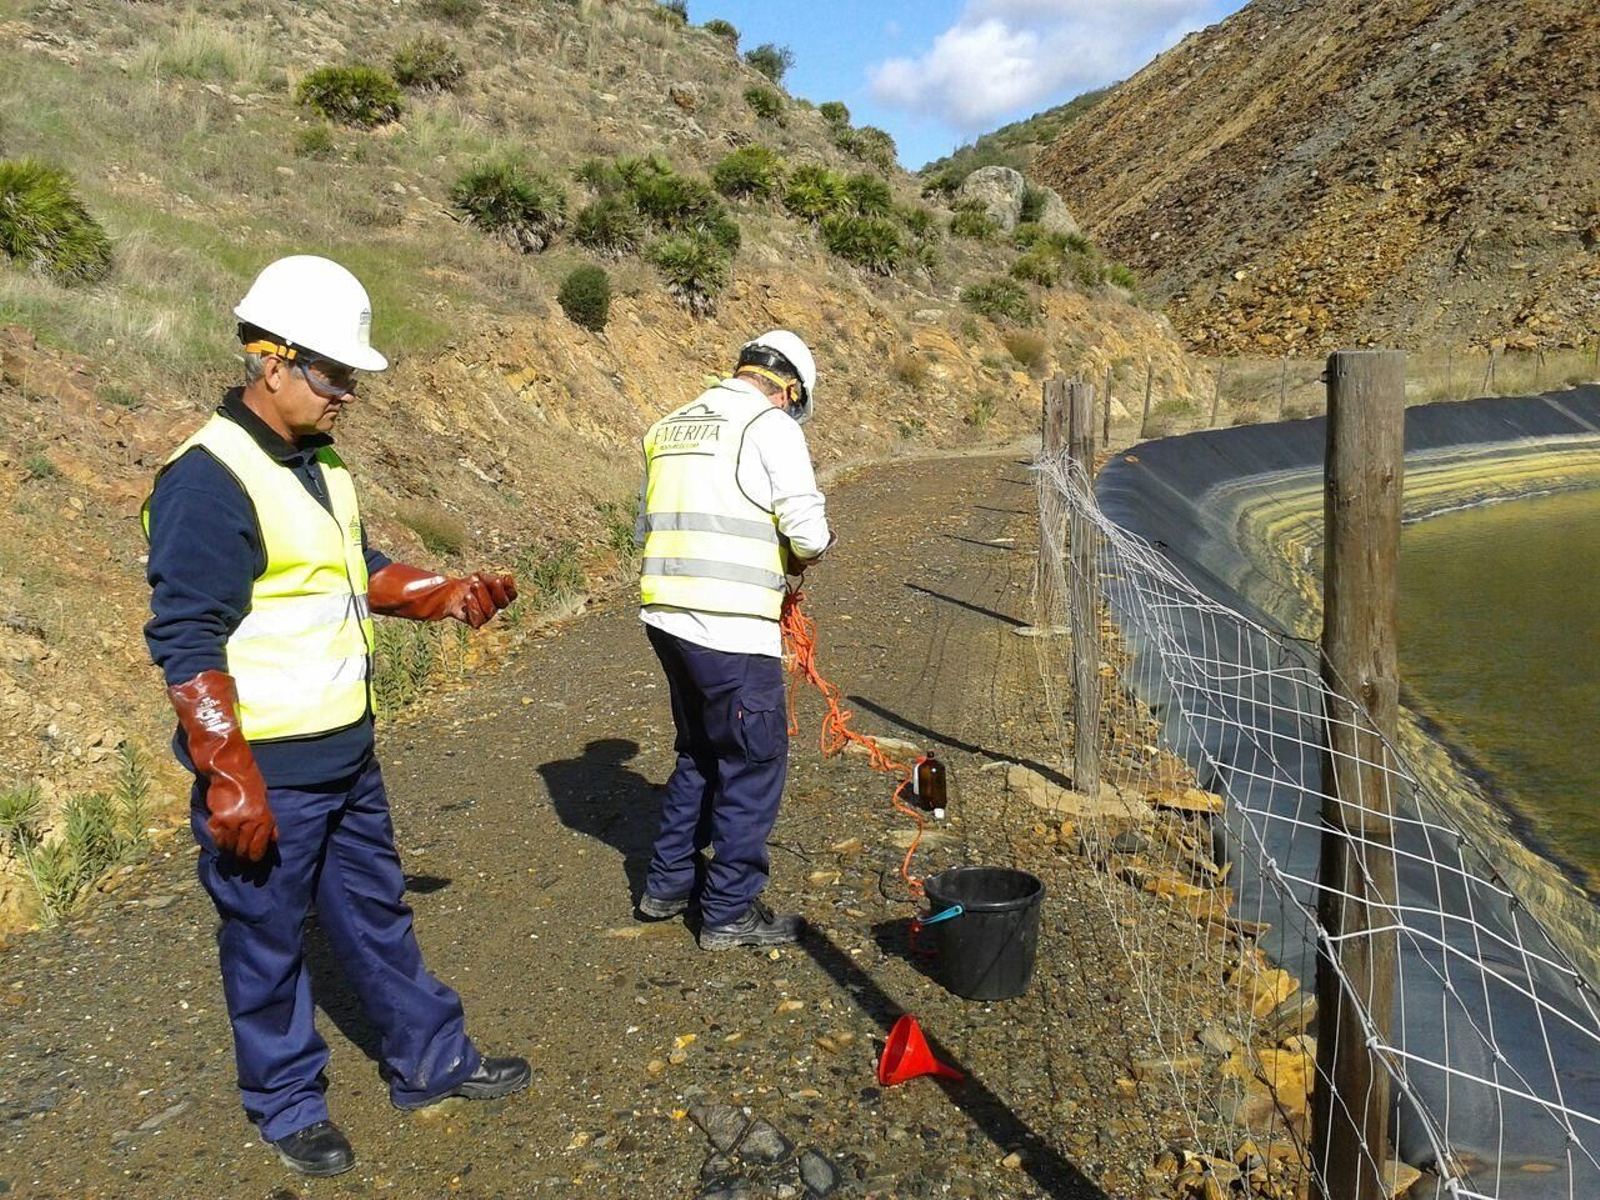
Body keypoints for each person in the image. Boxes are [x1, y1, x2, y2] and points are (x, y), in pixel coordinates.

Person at [142, 255, 529, 1178]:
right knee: (268, 942)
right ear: (268, 361)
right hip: (266, 766)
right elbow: (187, 639)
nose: (348, 392)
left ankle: (431, 1060)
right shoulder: (207, 478)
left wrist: (445, 594)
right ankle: (286, 1104)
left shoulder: (318, 461)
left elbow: (353, 566)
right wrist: (229, 774)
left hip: (345, 755)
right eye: (333, 372)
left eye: (353, 375)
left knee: (376, 914)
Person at [634, 330, 833, 950]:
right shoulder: (770, 427)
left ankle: (666, 886)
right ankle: (727, 911)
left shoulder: (669, 426)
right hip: (730, 625)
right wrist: (795, 555)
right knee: (753, 761)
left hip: (666, 616)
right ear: (789, 388)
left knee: (699, 750)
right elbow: (810, 536)